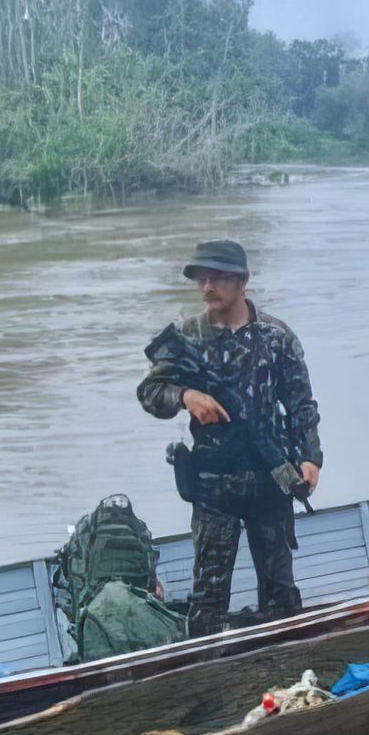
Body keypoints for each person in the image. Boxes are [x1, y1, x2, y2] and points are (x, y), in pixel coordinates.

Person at [138, 240, 322, 637]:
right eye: (201, 279)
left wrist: (311, 457)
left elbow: (301, 403)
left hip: (270, 478)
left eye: (218, 278)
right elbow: (150, 393)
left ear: (243, 281)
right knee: (208, 599)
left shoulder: (276, 336)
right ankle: (210, 666)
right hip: (213, 486)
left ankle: (289, 661)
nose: (207, 287)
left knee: (280, 594)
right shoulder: (187, 337)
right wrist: (185, 396)